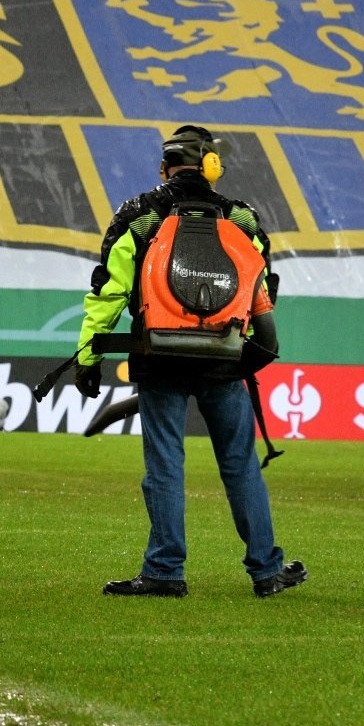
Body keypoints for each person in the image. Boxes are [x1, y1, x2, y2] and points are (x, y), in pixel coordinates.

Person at [73, 125, 308, 600]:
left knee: (165, 463)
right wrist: (252, 353)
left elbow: (108, 292)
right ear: (212, 168)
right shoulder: (241, 218)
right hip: (223, 356)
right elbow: (260, 290)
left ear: (164, 168)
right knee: (240, 465)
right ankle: (266, 571)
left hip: (159, 355)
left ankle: (164, 570)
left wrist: (88, 355)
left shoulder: (139, 215)